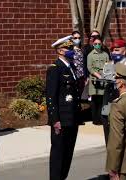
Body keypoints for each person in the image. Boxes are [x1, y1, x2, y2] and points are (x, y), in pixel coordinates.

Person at [47, 35, 82, 180]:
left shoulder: (72, 67)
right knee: (58, 154)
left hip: (72, 117)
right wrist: (55, 119)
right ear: (60, 51)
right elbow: (51, 96)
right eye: (68, 48)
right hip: (61, 118)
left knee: (68, 153)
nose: (71, 51)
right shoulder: (55, 69)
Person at [87, 37, 110, 125]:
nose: (97, 45)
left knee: (102, 100)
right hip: (94, 80)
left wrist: (106, 75)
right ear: (93, 44)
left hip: (104, 79)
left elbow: (108, 65)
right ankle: (95, 119)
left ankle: (101, 118)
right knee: (94, 100)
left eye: (99, 44)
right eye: (95, 44)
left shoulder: (105, 55)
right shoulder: (90, 55)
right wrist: (98, 75)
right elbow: (90, 68)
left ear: (101, 44)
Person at [71, 31, 86, 97]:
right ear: (72, 39)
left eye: (79, 38)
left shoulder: (82, 50)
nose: (77, 39)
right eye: (75, 38)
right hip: (73, 75)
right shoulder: (69, 50)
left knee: (80, 95)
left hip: (81, 77)